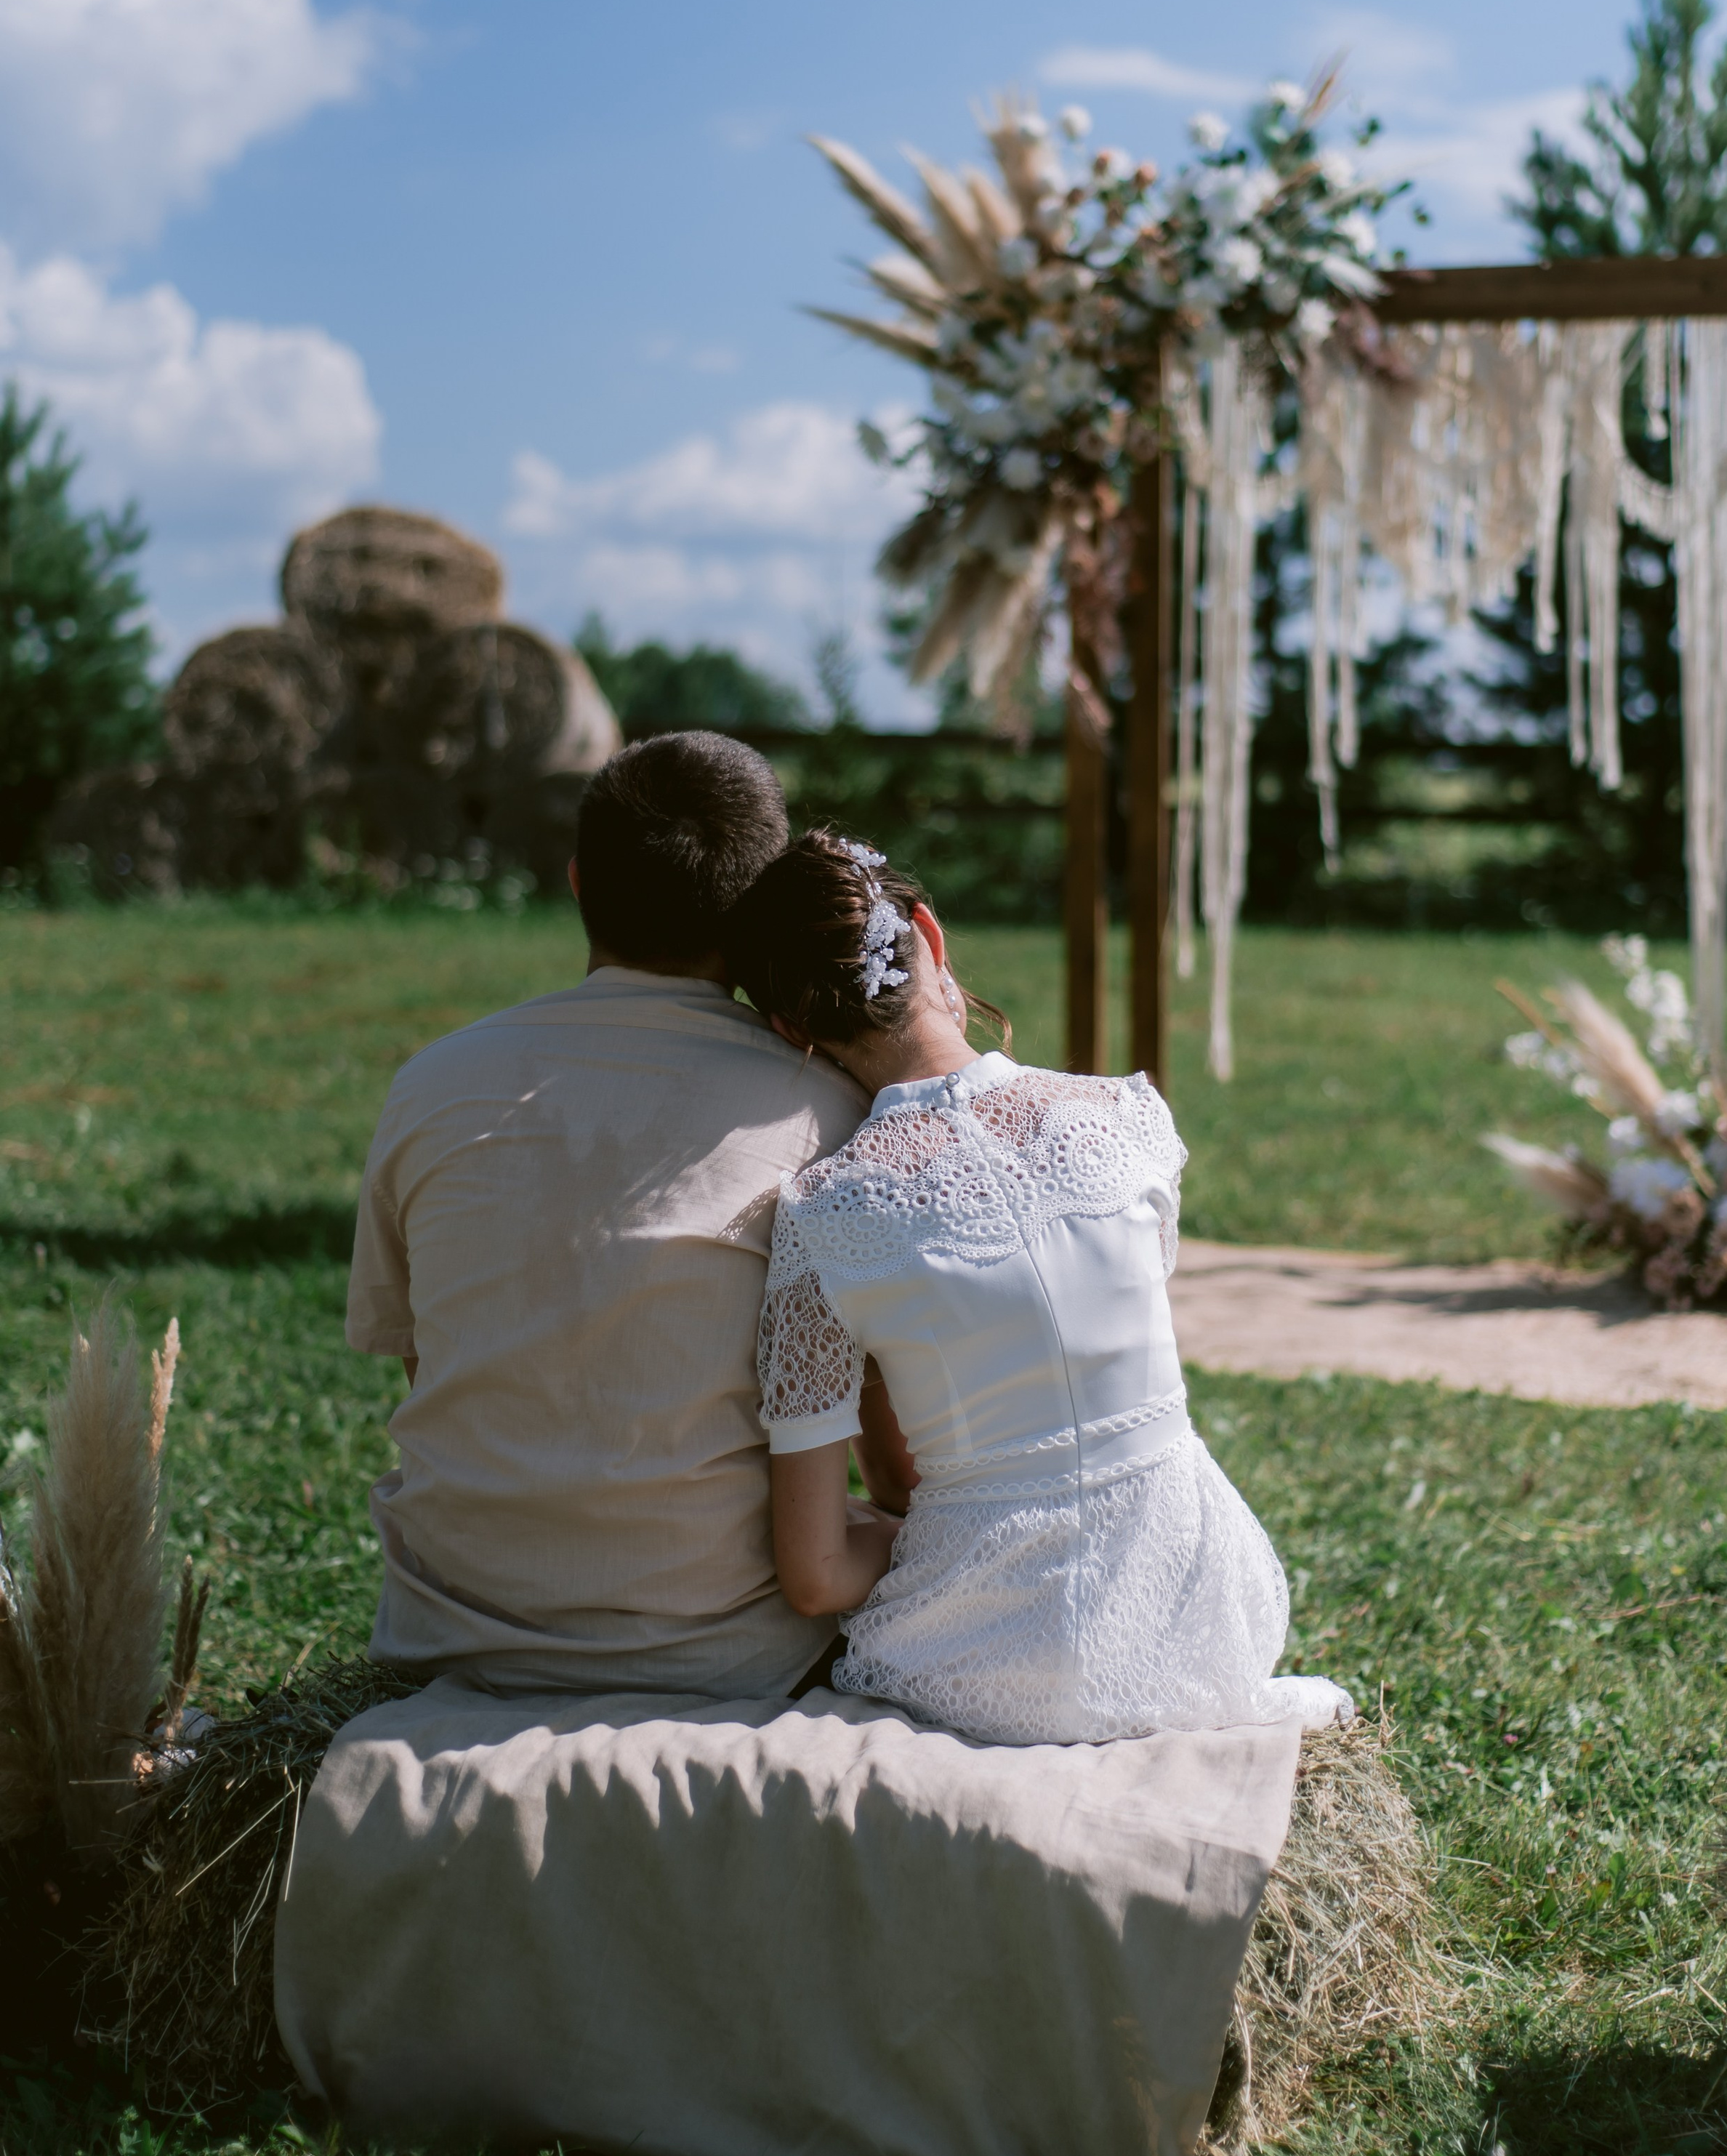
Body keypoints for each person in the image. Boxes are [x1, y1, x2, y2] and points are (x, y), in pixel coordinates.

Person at [724, 829, 1353, 1746]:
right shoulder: (1128, 1118)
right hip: (1205, 1612)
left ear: (791, 1030)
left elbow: (816, 1577)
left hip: (980, 1659)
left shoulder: (824, 1217)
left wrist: (963, 1533)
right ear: (929, 936)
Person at [345, 735, 871, 1700]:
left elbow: (432, 1360)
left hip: (455, 1632)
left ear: (579, 883)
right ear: (763, 902)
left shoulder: (432, 1085)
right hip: (733, 1650)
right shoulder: (824, 1109)